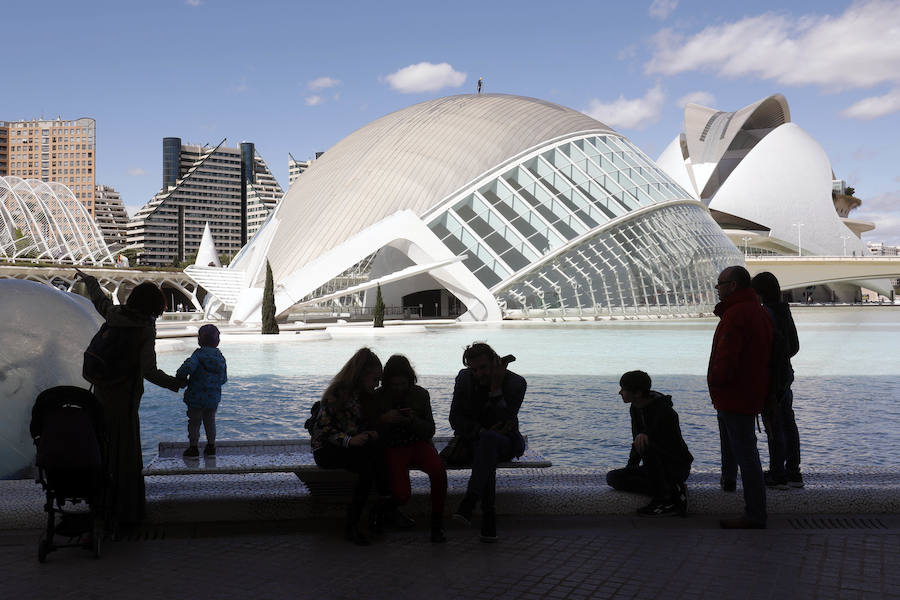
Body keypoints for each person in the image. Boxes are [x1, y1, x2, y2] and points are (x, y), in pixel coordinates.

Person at [74, 268, 182, 532]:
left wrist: (90, 281)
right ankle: (126, 513)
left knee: (104, 451)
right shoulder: (144, 329)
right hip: (124, 401)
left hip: (100, 395)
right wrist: (174, 383)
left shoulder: (114, 315)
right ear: (154, 307)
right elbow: (149, 370)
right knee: (126, 457)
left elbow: (100, 301)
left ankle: (101, 507)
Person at [709, 265, 773, 529]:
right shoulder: (758, 311)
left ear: (733, 285)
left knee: (746, 455)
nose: (718, 288)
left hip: (735, 394)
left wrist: (716, 382)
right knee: (748, 453)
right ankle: (755, 511)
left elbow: (727, 357)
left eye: (720, 284)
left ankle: (755, 513)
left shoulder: (736, 314)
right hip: (751, 391)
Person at [450, 342, 525, 542]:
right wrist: (483, 431)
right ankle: (487, 517)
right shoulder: (464, 379)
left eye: (483, 368)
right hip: (477, 440)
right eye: (473, 369)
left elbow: (504, 421)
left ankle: (470, 501)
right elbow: (454, 418)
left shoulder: (516, 383)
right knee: (487, 443)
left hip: (506, 443)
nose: (478, 374)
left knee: (489, 442)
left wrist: (495, 388)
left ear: (495, 362)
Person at [308, 347, 385, 546]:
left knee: (374, 458)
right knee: (367, 468)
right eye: (374, 379)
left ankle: (366, 517)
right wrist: (349, 441)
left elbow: (365, 424)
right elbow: (323, 428)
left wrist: (370, 433)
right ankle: (356, 522)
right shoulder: (338, 393)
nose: (377, 385)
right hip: (327, 449)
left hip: (351, 446)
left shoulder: (366, 397)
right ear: (362, 375)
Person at [370, 355, 448, 543]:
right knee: (402, 495)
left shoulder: (420, 394)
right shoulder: (377, 397)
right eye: (394, 385)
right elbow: (369, 429)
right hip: (392, 447)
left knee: (439, 472)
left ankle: (436, 524)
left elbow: (430, 429)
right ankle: (382, 511)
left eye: (402, 384)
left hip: (417, 444)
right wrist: (384, 420)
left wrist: (413, 420)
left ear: (410, 381)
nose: (398, 389)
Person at [606, 370, 692, 517]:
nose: (619, 392)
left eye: (623, 389)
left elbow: (663, 443)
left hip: (674, 467)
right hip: (653, 469)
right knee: (614, 478)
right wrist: (630, 468)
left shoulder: (665, 412)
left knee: (647, 442)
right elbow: (637, 442)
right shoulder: (635, 407)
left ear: (637, 393)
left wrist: (646, 434)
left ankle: (665, 501)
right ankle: (673, 490)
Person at [751, 271, 802, 489]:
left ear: (759, 293)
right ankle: (793, 472)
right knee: (788, 424)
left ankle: (777, 473)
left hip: (771, 379)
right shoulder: (784, 312)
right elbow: (794, 347)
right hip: (786, 378)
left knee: (774, 425)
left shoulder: (764, 314)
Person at [176, 324, 227, 458]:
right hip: (212, 399)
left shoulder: (197, 356)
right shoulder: (221, 358)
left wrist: (180, 377)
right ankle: (211, 447)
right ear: (218, 341)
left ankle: (193, 448)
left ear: (199, 340)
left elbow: (187, 368)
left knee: (194, 422)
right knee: (210, 421)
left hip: (195, 397)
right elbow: (223, 379)